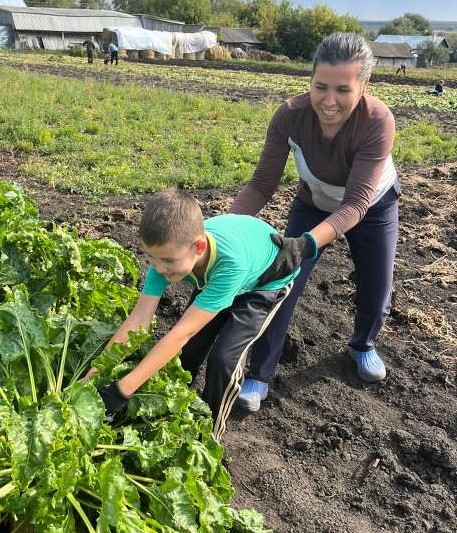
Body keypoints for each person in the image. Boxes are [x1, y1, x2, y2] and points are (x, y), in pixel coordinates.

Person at [230, 31, 400, 411]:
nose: (329, 100)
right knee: (282, 282)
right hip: (315, 202)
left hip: (372, 206)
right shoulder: (290, 116)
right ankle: (259, 373)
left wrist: (305, 243)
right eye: (320, 86)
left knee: (376, 288)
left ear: (364, 85)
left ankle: (362, 345)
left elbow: (355, 204)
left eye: (343, 89)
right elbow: (261, 186)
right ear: (310, 81)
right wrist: (221, 228)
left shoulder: (377, 121)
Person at [95, 189, 300, 440]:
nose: (159, 268)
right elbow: (138, 320)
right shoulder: (166, 258)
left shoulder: (230, 264)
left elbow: (182, 332)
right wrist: (93, 375)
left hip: (265, 282)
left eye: (168, 261)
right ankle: (173, 407)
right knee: (186, 354)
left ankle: (211, 434)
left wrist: (121, 390)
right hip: (216, 275)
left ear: (198, 248)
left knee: (224, 360)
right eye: (150, 258)